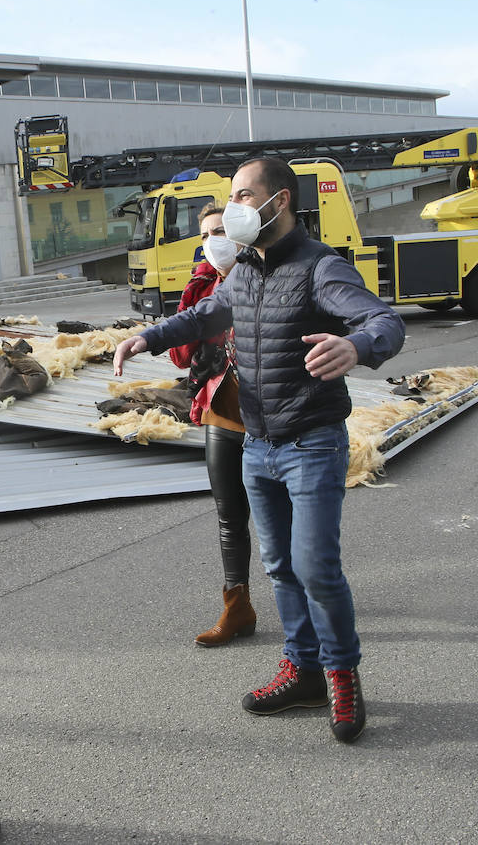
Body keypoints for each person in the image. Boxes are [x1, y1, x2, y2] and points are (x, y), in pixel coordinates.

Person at [114, 157, 405, 743]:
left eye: (246, 196)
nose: (237, 207)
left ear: (281, 201)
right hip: (257, 446)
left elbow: (383, 320)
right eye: (234, 196)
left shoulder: (321, 267)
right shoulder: (244, 269)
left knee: (316, 568)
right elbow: (205, 314)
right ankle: (302, 670)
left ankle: (341, 675)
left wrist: (358, 346)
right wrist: (148, 336)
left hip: (311, 442)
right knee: (278, 568)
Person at [166, 204, 256, 648]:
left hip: (270, 417)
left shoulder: (263, 270)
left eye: (221, 230)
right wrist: (199, 312)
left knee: (288, 518)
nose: (213, 240)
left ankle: (311, 602)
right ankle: (236, 606)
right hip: (221, 412)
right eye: (206, 234)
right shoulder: (203, 283)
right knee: (229, 517)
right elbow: (179, 356)